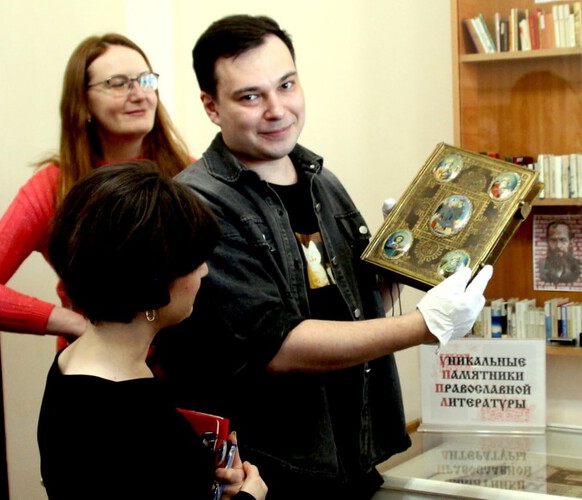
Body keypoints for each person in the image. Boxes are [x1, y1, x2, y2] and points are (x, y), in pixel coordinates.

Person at [152, 14, 493, 499]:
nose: (277, 110)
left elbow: (349, 308)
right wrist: (423, 326)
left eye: (286, 85)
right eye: (250, 97)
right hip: (263, 475)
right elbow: (275, 346)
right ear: (211, 106)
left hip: (350, 457)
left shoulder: (320, 181)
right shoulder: (197, 205)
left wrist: (406, 260)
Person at [38, 162, 267, 500]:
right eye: (195, 262)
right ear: (153, 282)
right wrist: (250, 496)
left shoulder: (71, 361)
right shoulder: (130, 414)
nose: (204, 272)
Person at [0, 33, 191, 338]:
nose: (140, 95)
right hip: (94, 363)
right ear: (83, 103)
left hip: (185, 361)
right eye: (118, 83)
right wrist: (73, 324)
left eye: (145, 80)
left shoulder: (190, 173)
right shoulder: (54, 186)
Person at [539, 221, 582, 285]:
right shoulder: (539, 267)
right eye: (553, 240)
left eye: (562, 240)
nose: (558, 246)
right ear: (547, 241)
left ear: (571, 242)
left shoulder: (580, 268)